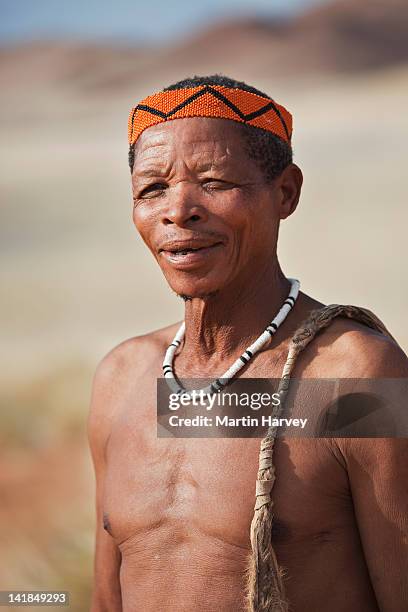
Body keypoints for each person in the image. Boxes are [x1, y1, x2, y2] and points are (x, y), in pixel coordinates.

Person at [87, 75, 408, 612]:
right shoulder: (122, 378)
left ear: (285, 193)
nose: (178, 210)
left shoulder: (353, 375)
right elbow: (106, 599)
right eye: (152, 189)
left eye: (213, 182)